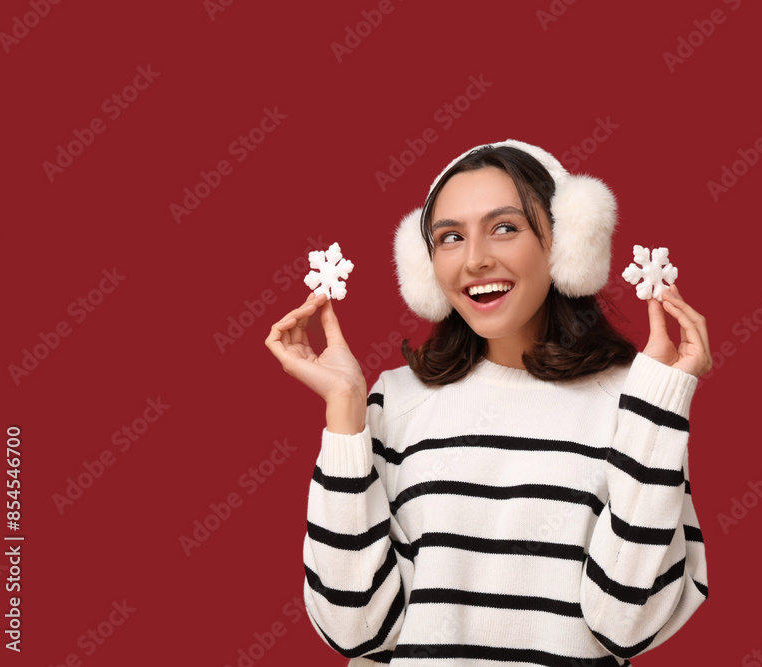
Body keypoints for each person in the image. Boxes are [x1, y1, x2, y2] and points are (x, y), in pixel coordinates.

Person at [265, 139, 713, 666]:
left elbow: (628, 623)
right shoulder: (393, 401)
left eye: (505, 227)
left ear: (567, 244)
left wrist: (661, 403)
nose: (475, 260)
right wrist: (344, 411)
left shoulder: (633, 404)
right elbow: (355, 628)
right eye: (449, 237)